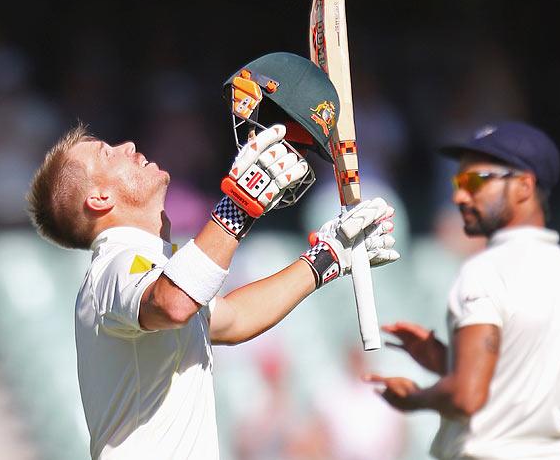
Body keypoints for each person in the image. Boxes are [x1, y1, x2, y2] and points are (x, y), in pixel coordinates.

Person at [26, 52, 400, 460]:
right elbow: (173, 303)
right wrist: (236, 208)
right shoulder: (115, 263)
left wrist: (326, 259)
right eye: (107, 155)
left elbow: (235, 319)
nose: (127, 145)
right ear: (99, 198)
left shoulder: (153, 266)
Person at [366, 122, 560, 460]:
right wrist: (445, 361)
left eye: (475, 181)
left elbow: (467, 396)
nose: (458, 196)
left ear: (524, 186)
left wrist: (414, 397)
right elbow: (520, 389)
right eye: (458, 181)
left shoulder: (486, 269)